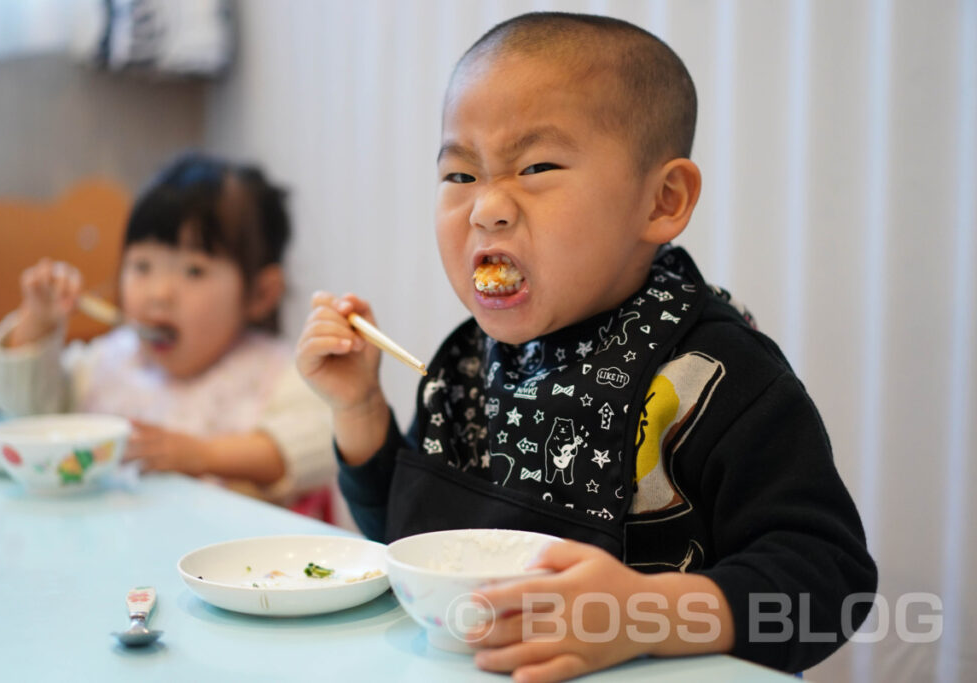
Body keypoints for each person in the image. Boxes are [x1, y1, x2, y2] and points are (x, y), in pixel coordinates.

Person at [296, 11, 876, 681]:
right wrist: (359, 407)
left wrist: (642, 613)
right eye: (460, 176)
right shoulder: (466, 362)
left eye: (536, 166)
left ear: (662, 200)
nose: (487, 207)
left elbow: (831, 586)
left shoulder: (714, 375)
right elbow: (412, 540)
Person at [0, 152, 335, 510]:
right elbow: (29, 419)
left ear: (260, 294)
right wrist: (38, 325)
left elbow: (323, 440)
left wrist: (203, 455)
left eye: (193, 272)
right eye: (142, 266)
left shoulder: (276, 372)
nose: (159, 293)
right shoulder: (106, 363)